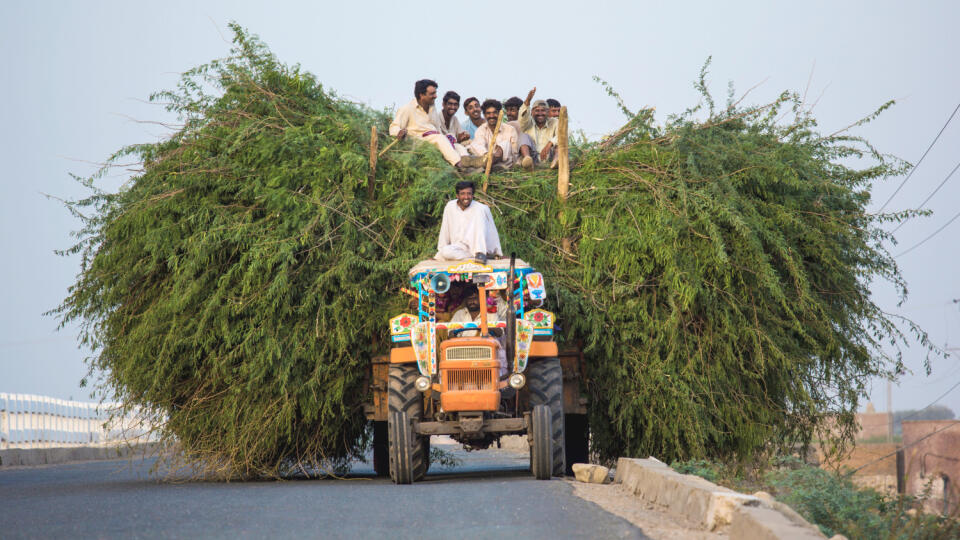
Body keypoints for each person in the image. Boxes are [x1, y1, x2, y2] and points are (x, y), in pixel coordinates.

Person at [389, 79, 476, 168]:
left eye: (435, 93)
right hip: (418, 140)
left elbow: (437, 129)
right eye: (432, 94)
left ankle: (469, 166)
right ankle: (459, 164)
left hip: (433, 138)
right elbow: (394, 127)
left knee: (457, 146)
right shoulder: (407, 109)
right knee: (439, 138)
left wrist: (449, 138)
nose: (435, 96)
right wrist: (399, 132)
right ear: (421, 95)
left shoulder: (432, 107)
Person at [436, 180, 503, 263]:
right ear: (457, 195)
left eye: (469, 193)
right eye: (463, 193)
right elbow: (444, 229)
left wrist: (497, 251)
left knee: (480, 210)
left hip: (478, 248)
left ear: (472, 195)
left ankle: (481, 254)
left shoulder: (481, 209)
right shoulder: (450, 207)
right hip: (460, 249)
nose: (466, 197)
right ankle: (474, 258)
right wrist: (440, 253)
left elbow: (492, 232)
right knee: (445, 252)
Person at [449, 286, 509, 376]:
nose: (472, 301)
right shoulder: (459, 314)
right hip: (462, 352)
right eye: (469, 299)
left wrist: (484, 327)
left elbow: (500, 332)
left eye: (475, 298)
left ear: (482, 298)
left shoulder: (490, 312)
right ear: (465, 301)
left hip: (485, 352)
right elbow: (450, 333)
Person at [468, 99, 522, 171]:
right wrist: (487, 155)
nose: (492, 116)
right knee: (474, 144)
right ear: (484, 115)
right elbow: (479, 145)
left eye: (494, 113)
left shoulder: (510, 129)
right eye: (488, 113)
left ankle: (490, 162)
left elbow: (514, 153)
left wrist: (497, 155)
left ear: (500, 114)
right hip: (486, 163)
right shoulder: (481, 129)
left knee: (506, 143)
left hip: (505, 164)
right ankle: (487, 161)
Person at [516, 88, 558, 163]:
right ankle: (527, 160)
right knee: (523, 136)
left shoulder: (554, 122)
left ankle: (556, 162)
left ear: (548, 112)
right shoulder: (528, 123)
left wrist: (550, 144)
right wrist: (527, 101)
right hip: (532, 158)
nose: (540, 113)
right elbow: (523, 118)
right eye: (537, 110)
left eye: (543, 110)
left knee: (560, 144)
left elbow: (564, 134)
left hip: (550, 158)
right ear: (532, 112)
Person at [503, 96, 535, 169]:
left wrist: (528, 100)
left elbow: (525, 113)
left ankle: (527, 159)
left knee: (523, 136)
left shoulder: (526, 123)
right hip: (512, 156)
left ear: (520, 111)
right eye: (507, 110)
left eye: (512, 110)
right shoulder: (506, 126)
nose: (509, 113)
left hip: (530, 153)